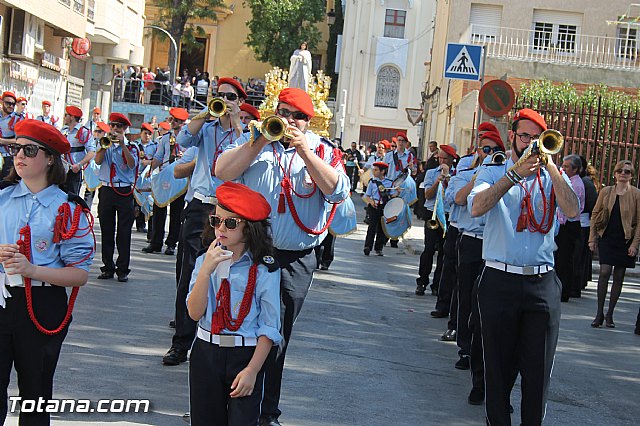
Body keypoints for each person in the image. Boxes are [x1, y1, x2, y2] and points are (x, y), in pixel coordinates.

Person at [216, 87, 349, 426]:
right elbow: (223, 171)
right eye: (284, 112)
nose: (289, 120)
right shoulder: (256, 140)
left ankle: (266, 411)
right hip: (253, 253)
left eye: (297, 116)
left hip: (295, 259)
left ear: (308, 121)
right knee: (237, 324)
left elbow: (338, 190)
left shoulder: (322, 150)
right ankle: (229, 400)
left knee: (274, 335)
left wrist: (305, 151)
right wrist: (258, 142)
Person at [468, 108, 579, 425]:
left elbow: (571, 210)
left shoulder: (553, 176)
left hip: (541, 283)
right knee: (498, 374)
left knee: (537, 375)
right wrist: (515, 173)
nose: (531, 143)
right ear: (512, 138)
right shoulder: (494, 171)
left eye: (538, 137)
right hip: (499, 280)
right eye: (525, 136)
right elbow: (477, 206)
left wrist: (553, 170)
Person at [0, 119, 94, 425]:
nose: (19, 156)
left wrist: (32, 269)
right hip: (1, 297)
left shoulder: (68, 208)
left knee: (35, 396)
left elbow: (79, 274)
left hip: (42, 304)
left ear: (50, 158)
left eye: (29, 149)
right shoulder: (2, 197)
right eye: (15, 148)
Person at [163, 77, 246, 366]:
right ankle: (180, 343)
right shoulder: (205, 129)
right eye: (220, 95)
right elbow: (183, 139)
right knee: (189, 274)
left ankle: (214, 335)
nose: (224, 101)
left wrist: (236, 122)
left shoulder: (244, 134)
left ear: (239, 102)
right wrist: (205, 113)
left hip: (229, 209)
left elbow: (245, 156)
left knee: (224, 273)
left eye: (230, 97)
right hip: (201, 206)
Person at [187, 181, 281, 425]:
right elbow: (194, 313)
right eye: (216, 220)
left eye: (230, 223)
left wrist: (252, 371)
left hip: (245, 354)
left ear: (249, 228)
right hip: (206, 352)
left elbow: (270, 326)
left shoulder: (264, 268)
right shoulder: (205, 260)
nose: (221, 228)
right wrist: (206, 271)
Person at [449, 130, 504, 403]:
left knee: (486, 309)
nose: (488, 154)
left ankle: (484, 364)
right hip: (471, 242)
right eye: (484, 148)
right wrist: (478, 176)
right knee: (467, 297)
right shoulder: (465, 171)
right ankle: (465, 349)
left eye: (493, 150)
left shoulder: (505, 172)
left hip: (495, 246)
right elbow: (459, 200)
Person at [588, 159, 640, 328]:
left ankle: (610, 314)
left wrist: (634, 244)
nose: (623, 174)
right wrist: (592, 238)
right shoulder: (606, 191)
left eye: (627, 172)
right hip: (607, 236)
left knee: (618, 276)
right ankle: (599, 312)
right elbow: (595, 214)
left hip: (625, 239)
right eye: (620, 171)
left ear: (632, 175)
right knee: (604, 271)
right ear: (615, 173)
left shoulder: (636, 194)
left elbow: (639, 222)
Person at [94, 113, 139, 282]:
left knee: (124, 232)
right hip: (106, 190)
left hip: (124, 191)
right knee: (107, 230)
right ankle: (107, 267)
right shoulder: (105, 145)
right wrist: (104, 147)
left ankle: (123, 269)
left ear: (125, 129)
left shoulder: (132, 146)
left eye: (118, 126)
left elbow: (131, 164)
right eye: (112, 126)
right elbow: (98, 161)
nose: (114, 129)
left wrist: (122, 145)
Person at [143, 108, 188, 255]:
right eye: (172, 120)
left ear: (182, 123)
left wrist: (184, 155)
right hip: (165, 176)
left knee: (176, 212)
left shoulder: (189, 138)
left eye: (177, 121)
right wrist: (151, 169)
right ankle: (156, 242)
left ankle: (171, 243)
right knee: (158, 209)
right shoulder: (164, 138)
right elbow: (158, 156)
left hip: (180, 177)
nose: (173, 123)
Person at [415, 144, 456, 296]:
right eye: (440, 157)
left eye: (445, 158)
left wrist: (448, 179)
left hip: (447, 215)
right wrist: (437, 182)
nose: (441, 161)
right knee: (429, 249)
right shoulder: (431, 173)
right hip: (431, 213)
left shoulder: (457, 175)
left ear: (452, 159)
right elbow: (427, 195)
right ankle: (422, 281)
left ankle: (437, 284)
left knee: (444, 252)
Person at [554, 154, 585, 302]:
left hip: (569, 225)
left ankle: (564, 291)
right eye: (563, 165)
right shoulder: (569, 181)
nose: (563, 168)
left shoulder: (576, 184)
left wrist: (561, 222)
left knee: (564, 260)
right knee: (561, 259)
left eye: (567, 166)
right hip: (565, 224)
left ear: (576, 169)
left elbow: (570, 208)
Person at [60, 106, 96, 195]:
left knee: (72, 198)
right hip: (61, 170)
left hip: (74, 170)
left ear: (72, 117)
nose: (64, 117)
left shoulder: (83, 132)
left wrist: (80, 165)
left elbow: (91, 152)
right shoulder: (63, 130)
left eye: (66, 115)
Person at [363, 162, 394, 256]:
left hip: (384, 207)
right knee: (371, 227)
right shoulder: (372, 182)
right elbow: (367, 196)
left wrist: (398, 192)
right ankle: (367, 246)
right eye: (374, 169)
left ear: (382, 171)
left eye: (376, 170)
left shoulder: (389, 183)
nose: (373, 171)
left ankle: (379, 248)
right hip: (374, 206)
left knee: (382, 228)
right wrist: (371, 202)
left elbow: (392, 195)